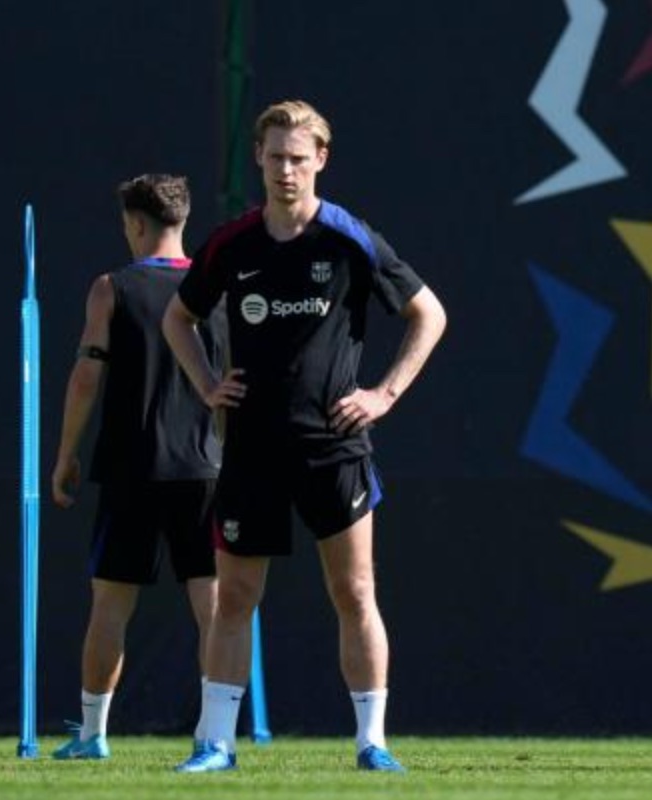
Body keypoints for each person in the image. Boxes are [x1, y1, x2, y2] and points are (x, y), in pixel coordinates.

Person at [163, 99, 447, 773]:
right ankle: (215, 745)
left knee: (354, 593)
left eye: (298, 157)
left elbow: (428, 314)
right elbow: (179, 317)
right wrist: (207, 385)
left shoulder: (348, 238)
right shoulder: (233, 244)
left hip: (334, 447)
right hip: (252, 448)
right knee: (233, 598)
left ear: (320, 160)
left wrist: (384, 395)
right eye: (275, 157)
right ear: (257, 160)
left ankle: (372, 742)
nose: (286, 169)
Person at [50, 174, 225, 760]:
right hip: (206, 469)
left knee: (110, 607)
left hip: (131, 470)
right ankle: (213, 736)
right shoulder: (216, 290)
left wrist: (65, 455)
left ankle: (93, 735)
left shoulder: (111, 288)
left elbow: (84, 378)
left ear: (137, 224)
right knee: (214, 608)